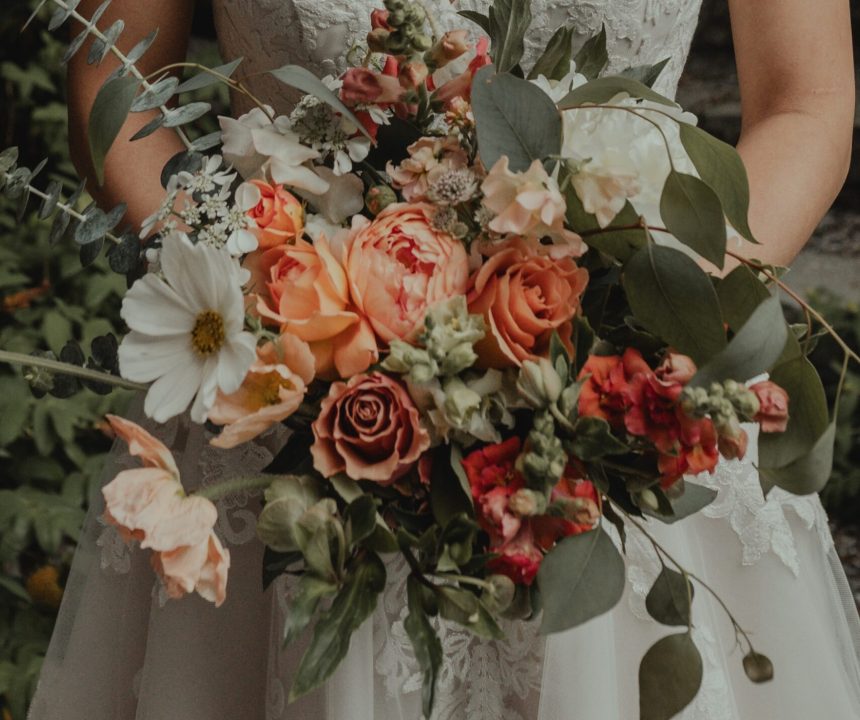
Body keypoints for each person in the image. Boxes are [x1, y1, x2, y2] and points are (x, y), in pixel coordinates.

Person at [28, 1, 860, 719]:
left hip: (631, 378)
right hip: (284, 386)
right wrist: (271, 298)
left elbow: (807, 101)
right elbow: (113, 79)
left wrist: (642, 316)